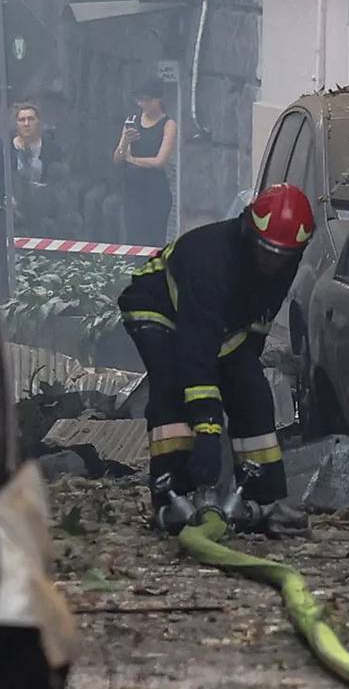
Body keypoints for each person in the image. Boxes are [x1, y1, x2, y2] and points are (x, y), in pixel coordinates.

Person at [118, 184, 315, 534]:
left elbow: (257, 322)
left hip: (217, 322)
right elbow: (195, 351)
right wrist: (208, 427)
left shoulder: (284, 257)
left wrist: (241, 376)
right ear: (248, 232)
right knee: (172, 389)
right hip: (157, 306)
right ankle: (172, 496)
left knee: (251, 391)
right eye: (266, 251)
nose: (273, 262)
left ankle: (263, 500)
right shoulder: (213, 262)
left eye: (282, 255)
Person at [113, 77, 178, 245]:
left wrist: (132, 159)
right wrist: (125, 143)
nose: (143, 104)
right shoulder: (131, 121)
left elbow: (159, 161)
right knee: (134, 237)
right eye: (140, 100)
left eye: (148, 100)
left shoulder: (168, 124)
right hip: (133, 190)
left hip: (155, 191)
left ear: (158, 99)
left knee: (154, 239)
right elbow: (118, 159)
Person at [9, 101, 66, 187]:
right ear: (16, 124)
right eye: (21, 120)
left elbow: (60, 184)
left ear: (38, 122)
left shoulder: (53, 150)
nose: (26, 124)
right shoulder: (6, 150)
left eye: (31, 119)